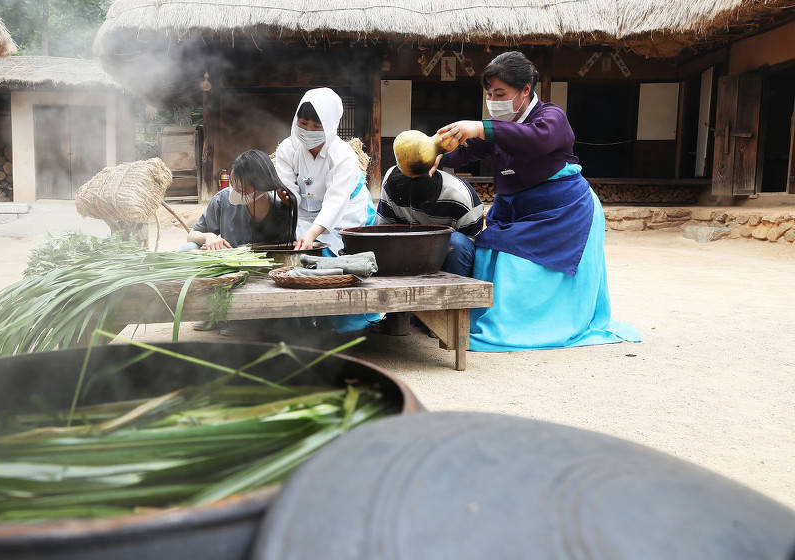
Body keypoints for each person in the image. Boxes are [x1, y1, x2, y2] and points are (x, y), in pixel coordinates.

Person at [428, 51, 641, 352]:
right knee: (488, 252)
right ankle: (480, 315)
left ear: (526, 89)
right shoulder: (500, 125)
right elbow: (471, 149)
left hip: (564, 212)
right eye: (489, 93)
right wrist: (436, 152)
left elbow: (534, 138)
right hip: (519, 209)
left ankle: (530, 325)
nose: (493, 100)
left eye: (500, 93)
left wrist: (482, 127)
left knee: (518, 266)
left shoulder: (551, 117)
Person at [274, 88, 375, 253]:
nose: (308, 131)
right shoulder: (287, 149)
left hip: (346, 211)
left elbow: (336, 202)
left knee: (336, 248)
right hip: (304, 213)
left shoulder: (343, 155)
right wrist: (287, 198)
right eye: (304, 123)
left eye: (316, 126)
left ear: (329, 126)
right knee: (288, 240)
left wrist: (312, 234)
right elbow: (289, 191)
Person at [375, 165, 484, 277]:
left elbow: (469, 248)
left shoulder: (464, 198)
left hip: (446, 255)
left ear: (428, 200)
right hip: (406, 249)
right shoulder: (393, 182)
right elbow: (383, 231)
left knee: (458, 243)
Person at [184, 149, 297, 251]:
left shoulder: (282, 206)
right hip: (229, 266)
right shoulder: (222, 200)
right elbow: (192, 235)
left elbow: (288, 249)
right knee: (189, 248)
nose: (234, 192)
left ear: (262, 187)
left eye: (241, 189)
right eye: (232, 185)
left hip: (266, 268)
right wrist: (208, 237)